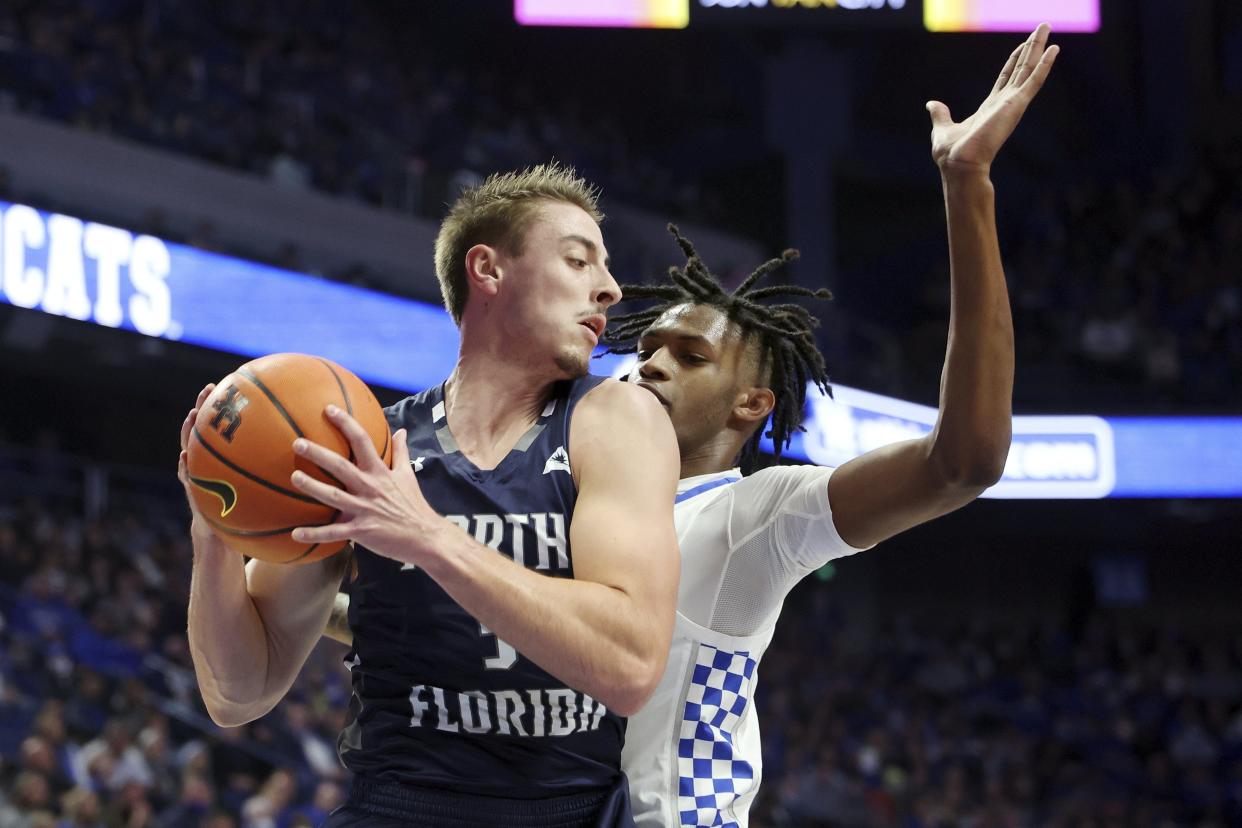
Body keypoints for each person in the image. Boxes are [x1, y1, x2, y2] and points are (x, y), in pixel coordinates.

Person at [324, 24, 1058, 826]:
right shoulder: (579, 502)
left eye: (690, 355)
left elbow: (965, 461)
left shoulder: (754, 516)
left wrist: (967, 184)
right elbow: (490, 630)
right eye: (644, 349)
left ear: (753, 405)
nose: (648, 365)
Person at [178, 164, 681, 827]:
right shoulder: (365, 446)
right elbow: (237, 694)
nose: (610, 289)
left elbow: (629, 665)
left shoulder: (615, 420)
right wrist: (216, 527)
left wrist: (431, 536)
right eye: (578, 260)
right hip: (398, 808)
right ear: (489, 270)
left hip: (563, 812)